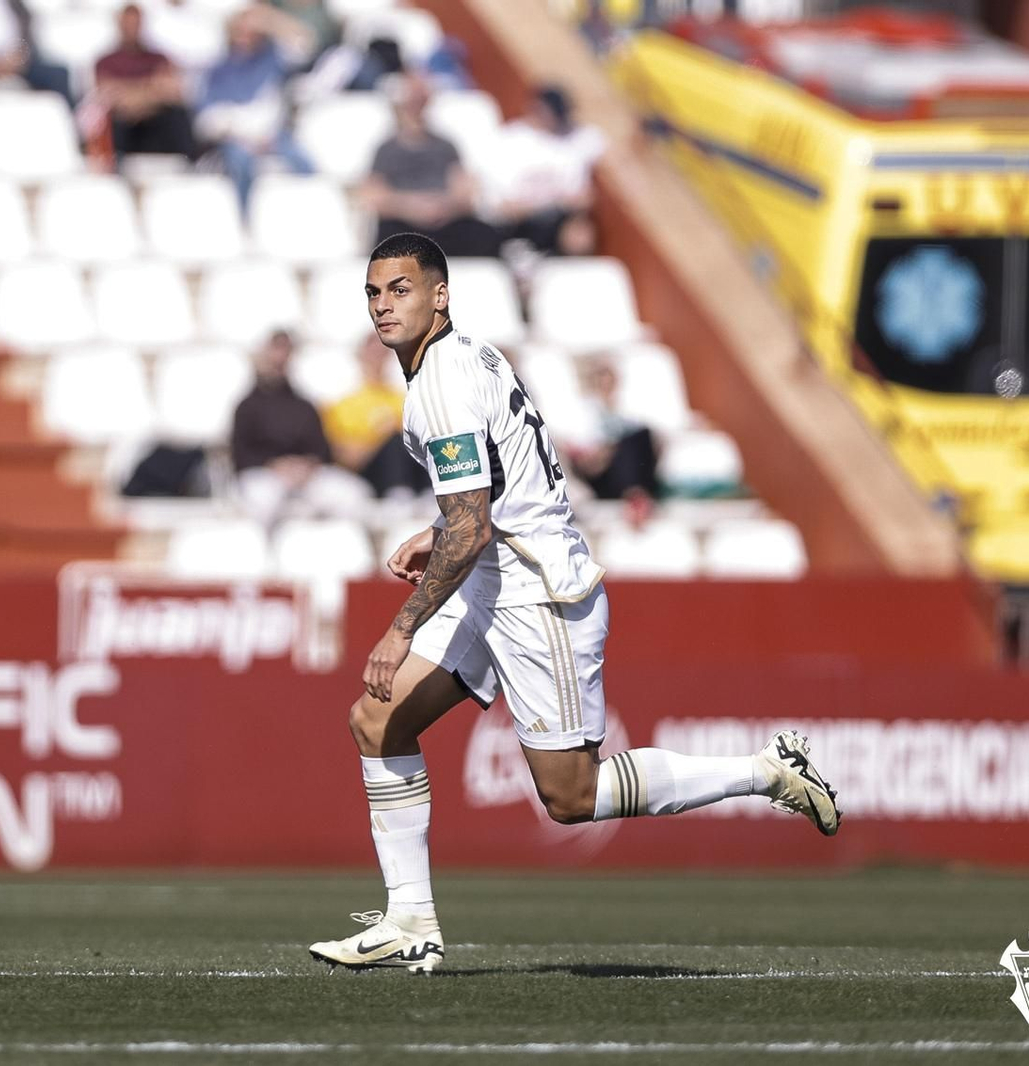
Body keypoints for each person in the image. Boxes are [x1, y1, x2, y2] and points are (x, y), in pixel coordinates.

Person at [307, 233, 840, 973]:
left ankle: (767, 771)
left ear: (440, 294)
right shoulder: (466, 357)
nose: (383, 306)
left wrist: (402, 627)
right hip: (497, 573)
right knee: (377, 719)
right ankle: (409, 919)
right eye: (373, 292)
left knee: (571, 796)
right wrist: (441, 533)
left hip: (537, 596)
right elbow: (490, 495)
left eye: (400, 289)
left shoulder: (444, 382)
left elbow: (473, 522)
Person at [231, 329, 370, 526]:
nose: (279, 358)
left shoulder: (304, 405)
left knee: (352, 494)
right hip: (264, 475)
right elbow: (241, 454)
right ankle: (264, 554)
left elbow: (322, 449)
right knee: (263, 500)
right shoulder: (247, 406)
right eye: (275, 350)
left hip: (306, 476)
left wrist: (306, 466)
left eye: (285, 351)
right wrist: (275, 465)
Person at [360, 75, 502, 258]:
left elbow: (464, 192)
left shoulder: (445, 145)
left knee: (484, 234)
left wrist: (440, 207)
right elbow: (373, 196)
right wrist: (411, 207)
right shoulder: (385, 150)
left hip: (445, 220)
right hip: (402, 223)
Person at [195, 7, 314, 210]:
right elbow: (206, 118)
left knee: (304, 164)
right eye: (240, 31)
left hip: (272, 136)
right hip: (235, 137)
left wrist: (268, 19)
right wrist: (243, 134)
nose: (245, 37)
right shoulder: (218, 69)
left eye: (251, 31)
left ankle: (308, 213)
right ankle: (245, 221)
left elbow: (306, 43)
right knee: (240, 162)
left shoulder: (271, 59)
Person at [484, 85, 604, 257]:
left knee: (580, 237)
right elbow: (506, 208)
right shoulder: (507, 140)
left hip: (564, 220)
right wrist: (555, 203)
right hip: (521, 225)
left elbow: (586, 197)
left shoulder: (580, 137)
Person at [321, 334, 427, 498]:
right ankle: (397, 493)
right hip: (368, 475)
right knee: (393, 441)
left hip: (412, 468)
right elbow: (347, 458)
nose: (377, 359)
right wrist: (380, 436)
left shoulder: (404, 399)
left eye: (382, 353)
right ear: (361, 356)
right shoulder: (344, 404)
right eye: (373, 353)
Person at [92, 3, 196, 161]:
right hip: (123, 123)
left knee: (178, 115)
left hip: (155, 121)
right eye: (127, 24)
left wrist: (131, 93)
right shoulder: (106, 61)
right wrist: (152, 88)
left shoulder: (159, 58)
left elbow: (173, 91)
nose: (131, 28)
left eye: (135, 24)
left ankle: (188, 163)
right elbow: (108, 94)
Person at [565, 356, 657, 523]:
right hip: (597, 475)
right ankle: (636, 496)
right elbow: (580, 456)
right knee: (630, 443)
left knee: (640, 438)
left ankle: (636, 494)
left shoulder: (627, 409)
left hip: (618, 468)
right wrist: (604, 452)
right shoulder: (582, 412)